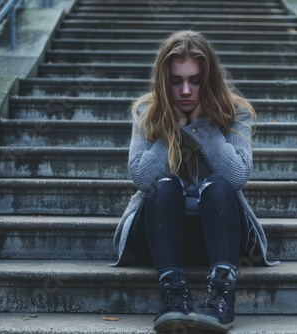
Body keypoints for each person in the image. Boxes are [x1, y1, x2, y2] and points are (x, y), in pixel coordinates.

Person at [111, 30, 277, 333]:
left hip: (219, 237)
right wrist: (172, 125)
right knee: (164, 184)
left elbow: (238, 176)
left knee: (219, 185)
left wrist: (200, 127)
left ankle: (222, 296)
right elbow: (141, 178)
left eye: (195, 80)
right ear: (164, 81)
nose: (185, 90)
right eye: (176, 81)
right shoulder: (148, 113)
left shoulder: (235, 113)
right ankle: (173, 293)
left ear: (209, 79)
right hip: (158, 237)